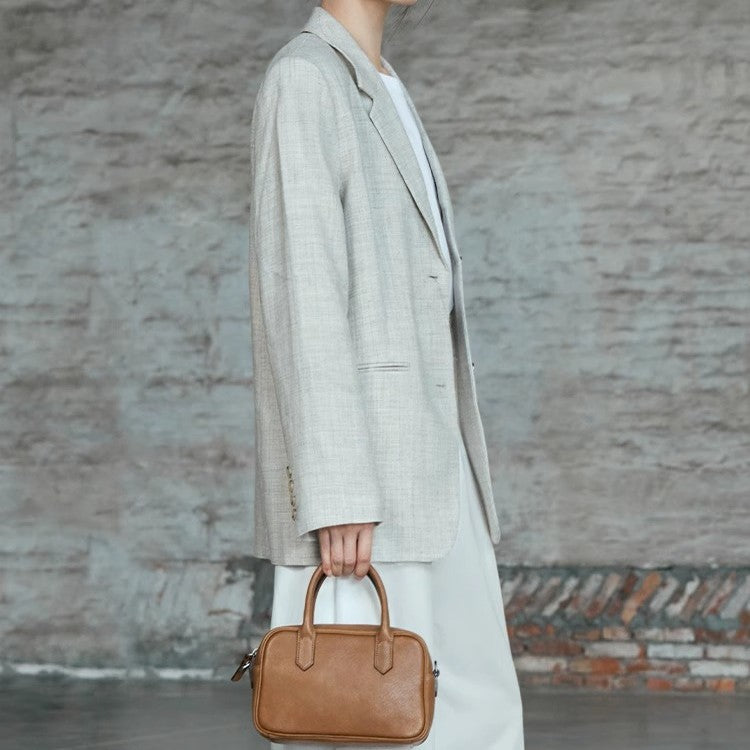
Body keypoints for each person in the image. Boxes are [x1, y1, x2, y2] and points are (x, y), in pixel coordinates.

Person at [247, 1, 525, 747]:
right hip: (364, 496)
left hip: (436, 468)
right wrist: (337, 492)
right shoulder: (306, 79)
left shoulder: (381, 82)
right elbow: (305, 294)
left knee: (474, 715)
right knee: (366, 722)